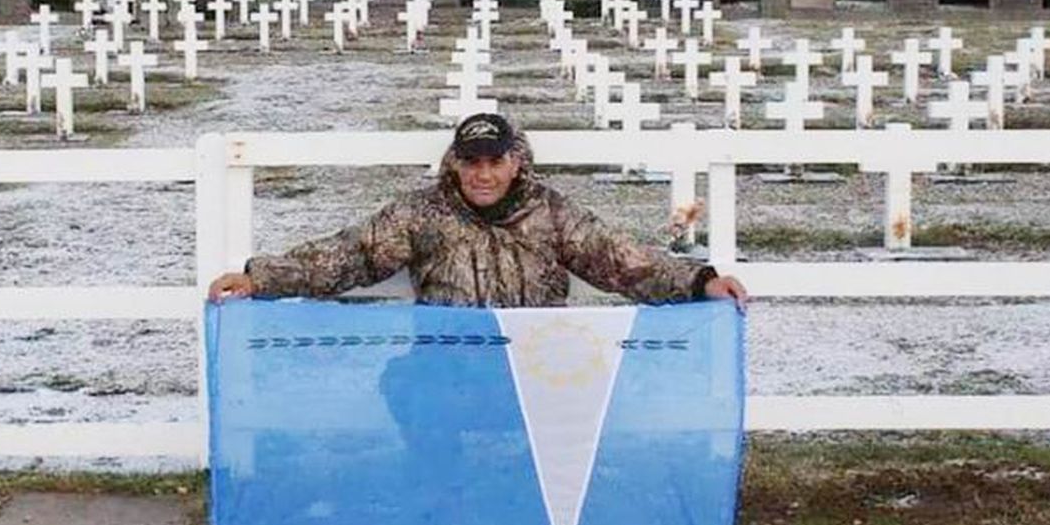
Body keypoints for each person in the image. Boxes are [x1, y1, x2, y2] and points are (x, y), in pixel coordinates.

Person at [207, 112, 747, 310]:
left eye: (494, 162)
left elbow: (624, 261)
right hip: (446, 365)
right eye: (471, 163)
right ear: (456, 163)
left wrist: (701, 282)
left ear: (514, 162)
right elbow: (350, 254)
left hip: (534, 365)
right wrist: (262, 278)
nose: (482, 175)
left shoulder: (551, 212)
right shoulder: (423, 213)